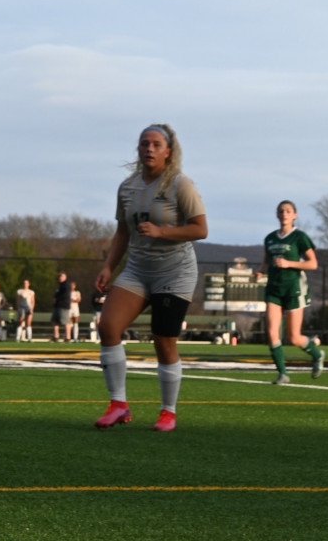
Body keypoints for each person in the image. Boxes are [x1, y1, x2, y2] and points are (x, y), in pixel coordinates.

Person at [93, 124, 207, 433]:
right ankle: (119, 405)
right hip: (138, 270)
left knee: (163, 340)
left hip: (175, 272)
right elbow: (122, 232)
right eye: (145, 143)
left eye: (157, 144)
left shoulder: (181, 185)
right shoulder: (127, 187)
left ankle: (168, 411)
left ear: (169, 151)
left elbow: (200, 229)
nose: (149, 149)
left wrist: (162, 232)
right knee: (108, 326)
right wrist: (108, 267)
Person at [256, 200, 324, 384]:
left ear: (295, 215)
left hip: (294, 288)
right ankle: (283, 374)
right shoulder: (270, 238)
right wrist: (261, 272)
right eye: (281, 211)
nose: (284, 214)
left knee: (293, 337)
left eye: (288, 211)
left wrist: (289, 264)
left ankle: (317, 355)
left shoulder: (299, 237)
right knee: (271, 333)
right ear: (277, 215)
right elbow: (266, 261)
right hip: (274, 290)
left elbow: (313, 263)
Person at [50, 272, 72, 342]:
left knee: (66, 322)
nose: (60, 278)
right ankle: (56, 336)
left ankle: (68, 337)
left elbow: (64, 295)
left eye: (62, 276)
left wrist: (57, 298)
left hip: (63, 306)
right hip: (57, 306)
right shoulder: (59, 285)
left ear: (65, 277)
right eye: (59, 276)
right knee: (55, 321)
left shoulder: (66, 285)